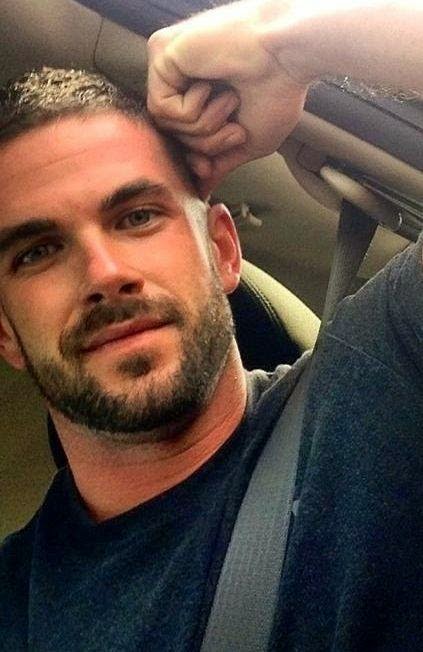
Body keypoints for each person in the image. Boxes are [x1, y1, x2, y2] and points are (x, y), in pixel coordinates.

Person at [0, 2, 422, 651]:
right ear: (5, 333)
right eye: (37, 252)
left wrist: (288, 40)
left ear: (223, 250)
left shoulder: (387, 373)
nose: (104, 273)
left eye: (137, 217)